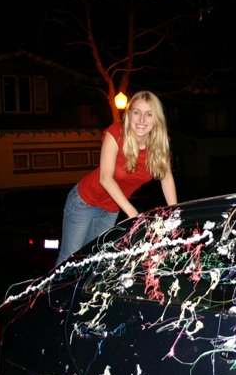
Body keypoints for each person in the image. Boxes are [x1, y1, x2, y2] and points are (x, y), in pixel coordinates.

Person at [55, 91, 177, 265]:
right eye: (137, 112)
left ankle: (81, 292)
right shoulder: (116, 133)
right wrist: (133, 214)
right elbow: (105, 178)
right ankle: (53, 292)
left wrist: (174, 213)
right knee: (69, 258)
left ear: (156, 118)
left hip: (111, 209)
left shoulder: (160, 142)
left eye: (149, 114)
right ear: (128, 115)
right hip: (84, 202)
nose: (142, 119)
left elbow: (167, 179)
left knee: (94, 260)